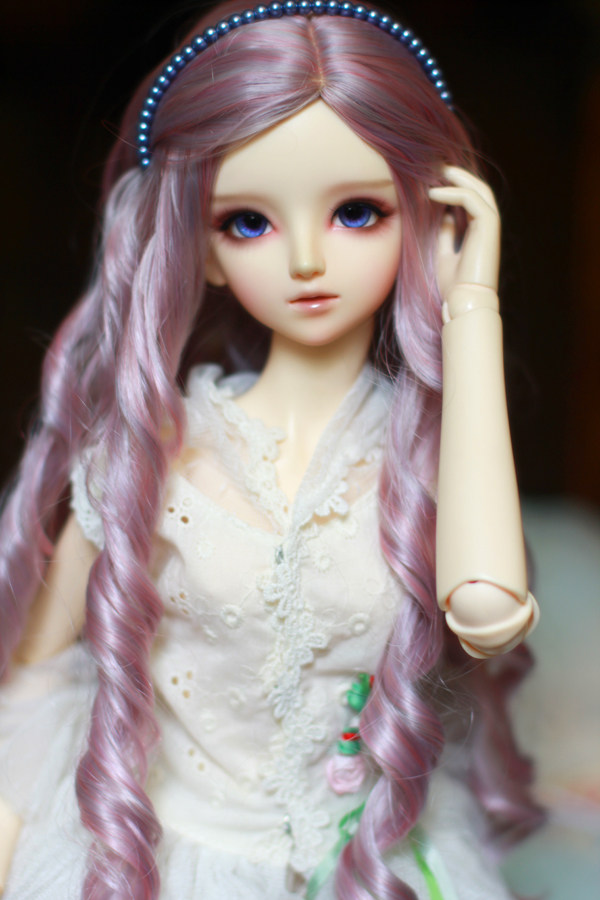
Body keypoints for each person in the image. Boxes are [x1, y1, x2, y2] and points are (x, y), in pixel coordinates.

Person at [0, 2, 542, 897]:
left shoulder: (424, 461)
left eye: (358, 212)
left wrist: (470, 312)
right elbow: (32, 683)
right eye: (248, 222)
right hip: (175, 859)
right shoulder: (153, 456)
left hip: (368, 860)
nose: (306, 261)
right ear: (204, 250)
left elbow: (486, 606)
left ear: (422, 218)